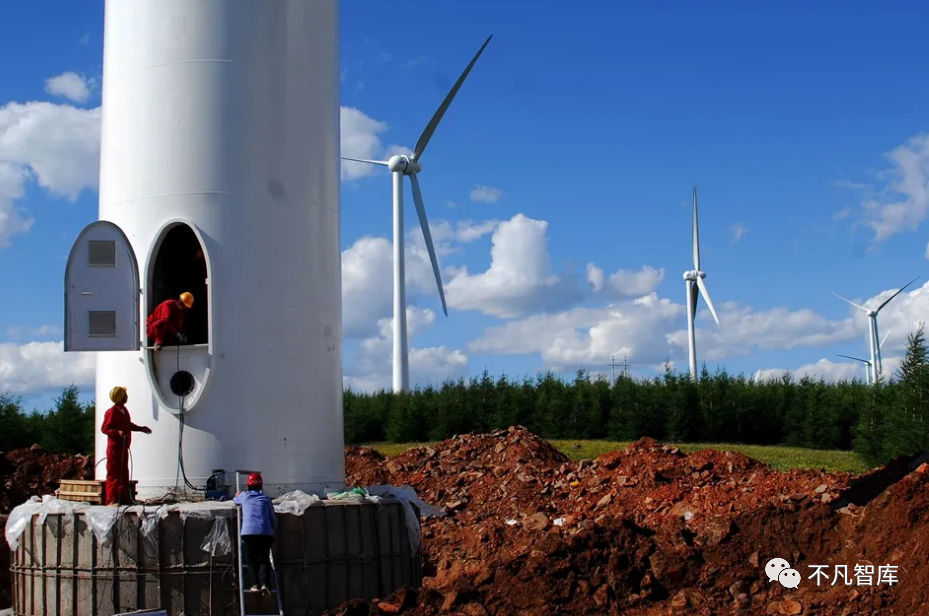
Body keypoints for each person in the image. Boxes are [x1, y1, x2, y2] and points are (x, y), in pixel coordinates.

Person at [100, 386, 152, 506]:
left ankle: (123, 498)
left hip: (123, 447)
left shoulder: (124, 410)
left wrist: (141, 429)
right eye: (125, 394)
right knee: (114, 473)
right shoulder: (111, 412)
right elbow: (105, 428)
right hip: (114, 448)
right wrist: (116, 432)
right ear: (121, 397)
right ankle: (111, 499)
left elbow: (128, 425)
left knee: (124, 473)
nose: (127, 396)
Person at [233, 472, 276, 596]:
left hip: (248, 532)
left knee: (252, 560)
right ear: (261, 486)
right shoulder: (266, 499)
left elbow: (235, 501)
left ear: (248, 486)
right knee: (264, 559)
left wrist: (238, 495)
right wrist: (273, 530)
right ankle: (265, 584)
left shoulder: (244, 496)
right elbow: (272, 518)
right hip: (265, 532)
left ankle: (255, 585)